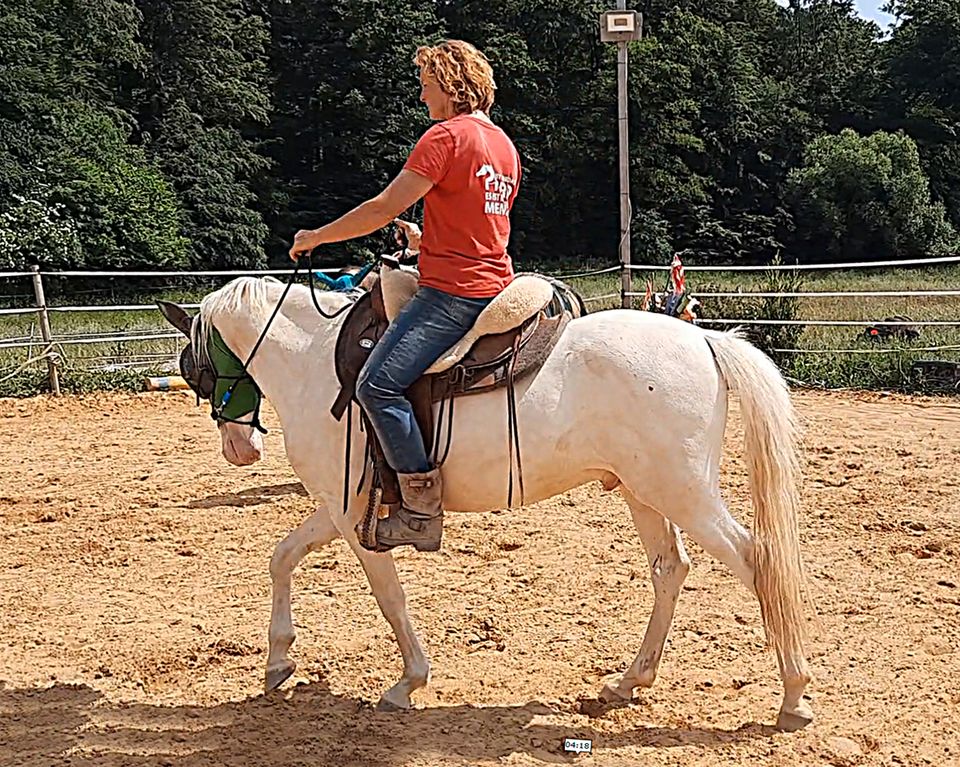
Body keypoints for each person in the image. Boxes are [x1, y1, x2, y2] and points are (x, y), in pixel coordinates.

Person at [289, 40, 522, 552]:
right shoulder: (503, 145)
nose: (422, 97)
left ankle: (418, 507)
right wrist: (426, 239)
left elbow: (380, 207)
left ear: (450, 85)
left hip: (453, 292)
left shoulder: (443, 137)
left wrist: (317, 237)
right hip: (493, 280)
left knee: (377, 384)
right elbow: (481, 222)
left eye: (427, 86)